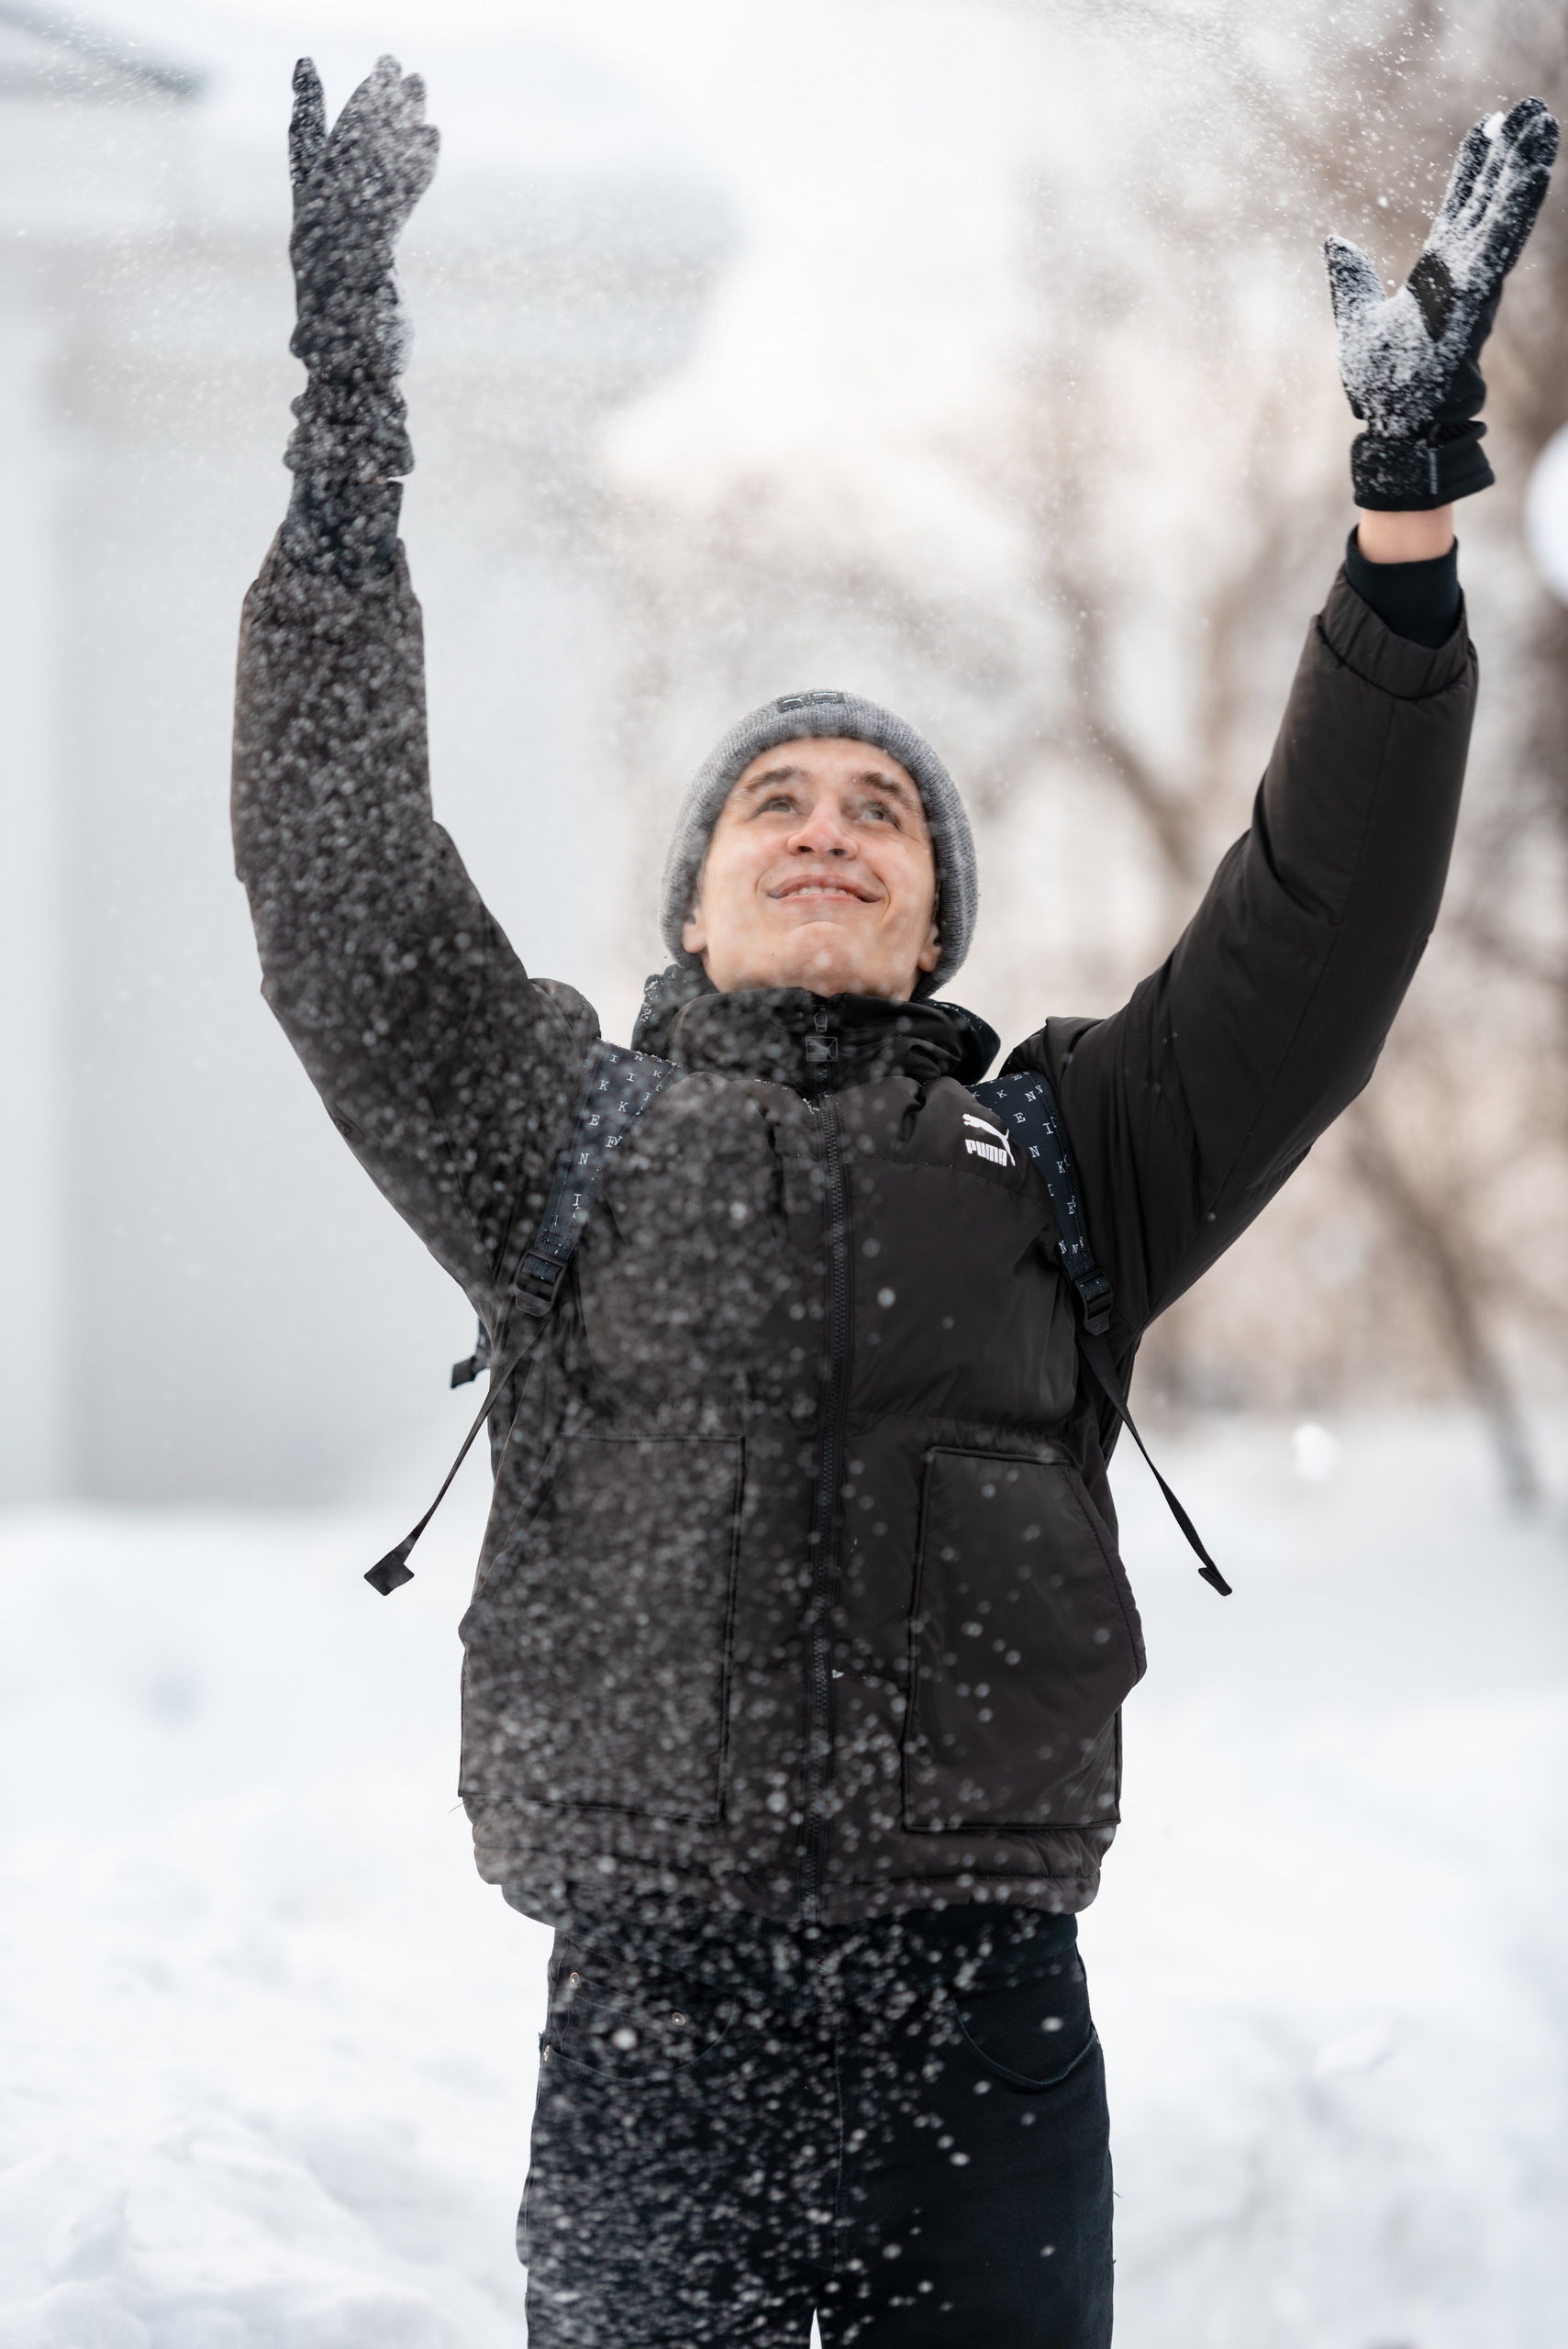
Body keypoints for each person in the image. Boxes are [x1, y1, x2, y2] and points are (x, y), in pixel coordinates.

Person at [232, 58, 1556, 2348]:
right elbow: (340, 886)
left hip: (980, 2023)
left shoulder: (1065, 1151)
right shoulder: (565, 1137)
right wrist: (346, 441)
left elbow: (1317, 931)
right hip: (651, 2029)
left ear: (935, 911)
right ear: (700, 899)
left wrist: (1406, 545)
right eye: (776, 798)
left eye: (881, 807)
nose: (827, 823)